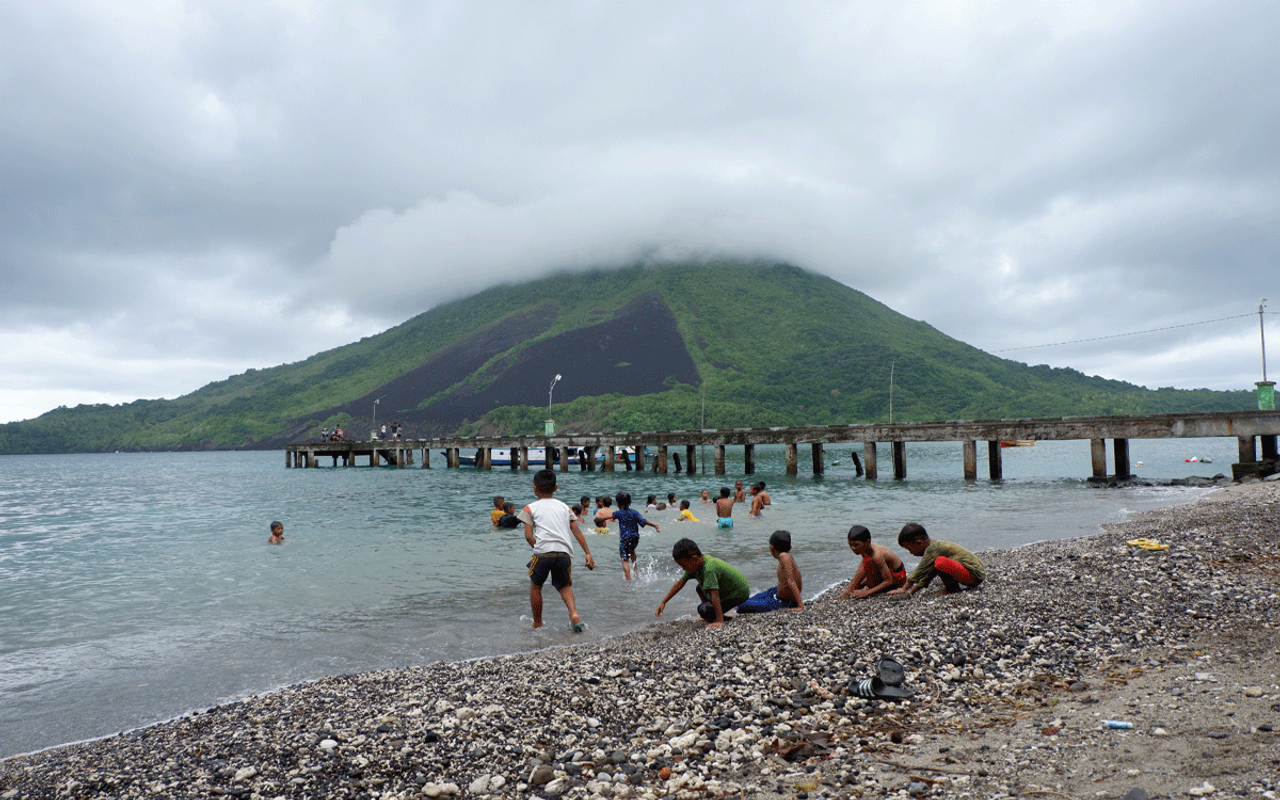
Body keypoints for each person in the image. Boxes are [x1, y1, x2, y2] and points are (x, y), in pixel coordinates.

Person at [518, 469, 596, 630]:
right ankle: (573, 614)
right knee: (564, 586)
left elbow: (528, 535)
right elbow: (576, 531)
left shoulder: (529, 508)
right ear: (556, 488)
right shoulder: (565, 508)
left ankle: (537, 623)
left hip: (543, 553)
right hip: (564, 553)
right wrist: (588, 553)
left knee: (535, 587)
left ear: (534, 488)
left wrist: (538, 547)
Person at [655, 538, 750, 628]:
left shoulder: (709, 568)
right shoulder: (696, 564)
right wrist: (664, 602)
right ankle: (714, 616)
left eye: (683, 565)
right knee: (699, 588)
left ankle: (716, 617)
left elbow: (714, 594)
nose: (683, 568)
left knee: (703, 610)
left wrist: (719, 621)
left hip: (739, 593)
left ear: (694, 559)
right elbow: (679, 584)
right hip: (728, 591)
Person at [890, 523, 986, 596]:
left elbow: (920, 570)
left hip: (974, 575)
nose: (910, 553)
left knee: (940, 562)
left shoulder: (933, 549)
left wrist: (904, 589)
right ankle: (952, 588)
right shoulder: (934, 548)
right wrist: (911, 591)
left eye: (910, 549)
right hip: (975, 574)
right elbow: (928, 573)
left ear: (919, 542)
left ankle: (951, 589)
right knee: (937, 564)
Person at [738, 530, 804, 613]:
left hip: (784, 602)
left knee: (742, 607)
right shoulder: (787, 556)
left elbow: (791, 581)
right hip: (776, 593)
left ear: (771, 548)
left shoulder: (784, 557)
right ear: (790, 547)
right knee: (750, 600)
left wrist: (800, 606)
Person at [839, 525, 907, 599]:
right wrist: (851, 588)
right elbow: (862, 568)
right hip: (887, 571)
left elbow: (888, 581)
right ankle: (868, 585)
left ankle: (870, 586)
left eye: (856, 545)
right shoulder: (865, 549)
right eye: (850, 544)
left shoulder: (877, 556)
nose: (853, 548)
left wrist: (867, 593)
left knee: (869, 566)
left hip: (898, 578)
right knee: (867, 564)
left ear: (867, 542)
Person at [611, 492, 660, 580]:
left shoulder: (618, 513)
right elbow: (644, 521)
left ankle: (628, 579)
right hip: (635, 538)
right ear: (630, 502)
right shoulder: (634, 512)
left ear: (617, 504)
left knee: (624, 560)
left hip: (624, 539)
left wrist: (598, 519)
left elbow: (608, 516)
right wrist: (655, 525)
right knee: (632, 550)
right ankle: (635, 569)